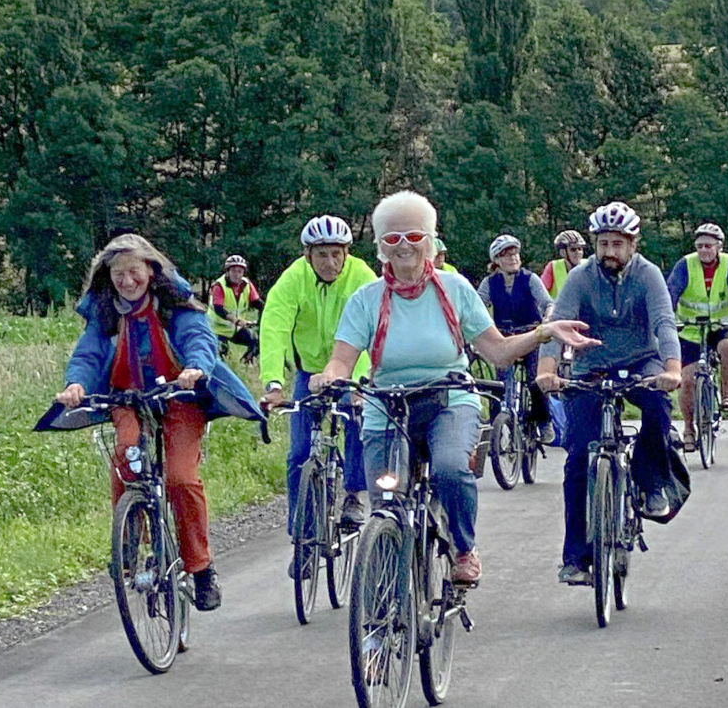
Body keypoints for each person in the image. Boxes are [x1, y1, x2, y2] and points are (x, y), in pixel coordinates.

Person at [314, 192, 595, 584]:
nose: (404, 247)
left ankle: (463, 548)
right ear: (380, 247)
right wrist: (329, 375)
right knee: (384, 498)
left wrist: (543, 332)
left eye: (414, 237)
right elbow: (342, 359)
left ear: (429, 241)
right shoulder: (366, 300)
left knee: (449, 469)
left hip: (448, 399)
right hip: (388, 406)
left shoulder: (454, 289)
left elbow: (497, 352)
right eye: (393, 239)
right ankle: (384, 596)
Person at [56, 235, 266, 612]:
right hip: (127, 399)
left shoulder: (174, 305)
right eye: (118, 273)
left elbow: (198, 338)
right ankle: (129, 540)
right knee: (126, 454)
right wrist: (76, 385)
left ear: (150, 271)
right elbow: (88, 354)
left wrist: (195, 368)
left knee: (180, 478)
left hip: (179, 397)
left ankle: (201, 568)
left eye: (133, 271)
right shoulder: (106, 312)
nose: (127, 281)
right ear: (108, 276)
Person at [536, 201, 682, 586]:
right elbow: (557, 325)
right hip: (591, 366)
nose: (609, 252)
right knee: (578, 456)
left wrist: (671, 368)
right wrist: (547, 370)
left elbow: (665, 322)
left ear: (633, 245)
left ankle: (652, 484)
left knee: (656, 409)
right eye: (603, 244)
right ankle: (576, 558)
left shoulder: (648, 276)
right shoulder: (581, 277)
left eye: (618, 244)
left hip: (641, 362)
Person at [259, 215, 378, 573]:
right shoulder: (293, 278)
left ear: (347, 253)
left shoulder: (362, 277)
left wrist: (360, 383)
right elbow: (275, 326)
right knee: (298, 454)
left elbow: (375, 329)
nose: (330, 263)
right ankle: (303, 538)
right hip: (309, 372)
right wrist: (273, 383)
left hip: (353, 366)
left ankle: (354, 494)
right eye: (322, 255)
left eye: (336, 254)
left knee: (357, 419)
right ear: (307, 255)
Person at [666, 223, 728, 450]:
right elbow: (671, 292)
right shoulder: (685, 265)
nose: (704, 250)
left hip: (720, 325)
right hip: (691, 329)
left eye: (709, 246)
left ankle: (726, 394)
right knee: (686, 380)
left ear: (719, 247)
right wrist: (667, 318)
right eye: (700, 246)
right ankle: (688, 428)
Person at [477, 233, 556, 436]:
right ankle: (495, 425)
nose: (512, 258)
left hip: (531, 335)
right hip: (505, 338)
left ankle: (543, 421)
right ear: (496, 261)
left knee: (534, 378)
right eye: (506, 255)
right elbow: (476, 307)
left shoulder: (529, 279)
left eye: (515, 254)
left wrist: (547, 319)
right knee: (500, 382)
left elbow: (548, 303)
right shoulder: (489, 283)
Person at [208, 254, 262, 362]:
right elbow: (218, 308)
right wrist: (236, 321)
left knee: (256, 343)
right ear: (227, 271)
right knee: (222, 356)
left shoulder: (246, 285)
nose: (237, 275)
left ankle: (245, 365)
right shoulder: (219, 286)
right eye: (233, 271)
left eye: (240, 271)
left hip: (235, 329)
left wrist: (267, 312)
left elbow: (257, 302)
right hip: (217, 329)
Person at [541, 229, 587, 299]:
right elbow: (540, 294)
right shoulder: (553, 267)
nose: (578, 252)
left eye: (580, 249)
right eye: (573, 249)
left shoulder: (589, 266)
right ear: (563, 252)